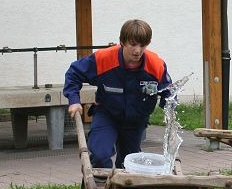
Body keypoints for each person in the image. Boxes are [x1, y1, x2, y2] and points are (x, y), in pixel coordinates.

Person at [64, 19, 172, 169]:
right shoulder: (104, 59)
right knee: (100, 154)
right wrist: (74, 99)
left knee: (129, 163)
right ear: (122, 41)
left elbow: (169, 92)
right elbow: (74, 73)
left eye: (143, 45)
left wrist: (170, 109)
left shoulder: (156, 65)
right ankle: (101, 185)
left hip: (136, 120)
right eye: (133, 44)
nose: (137, 50)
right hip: (107, 114)